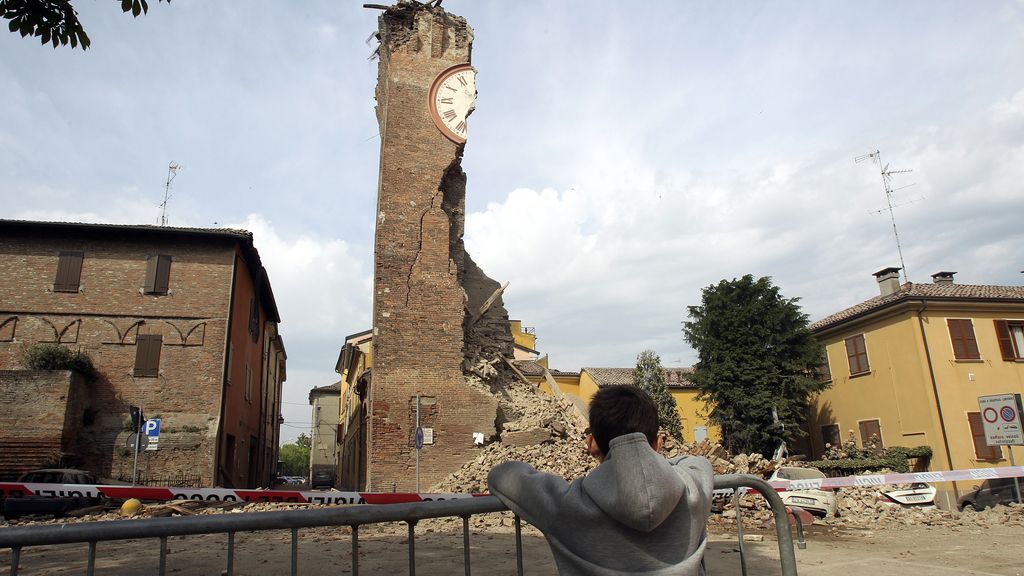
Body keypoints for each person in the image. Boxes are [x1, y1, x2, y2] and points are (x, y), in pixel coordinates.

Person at [487, 384, 713, 575]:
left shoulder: (567, 505)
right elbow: (695, 461)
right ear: (658, 444)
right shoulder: (694, 484)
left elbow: (503, 475)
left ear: (592, 443)